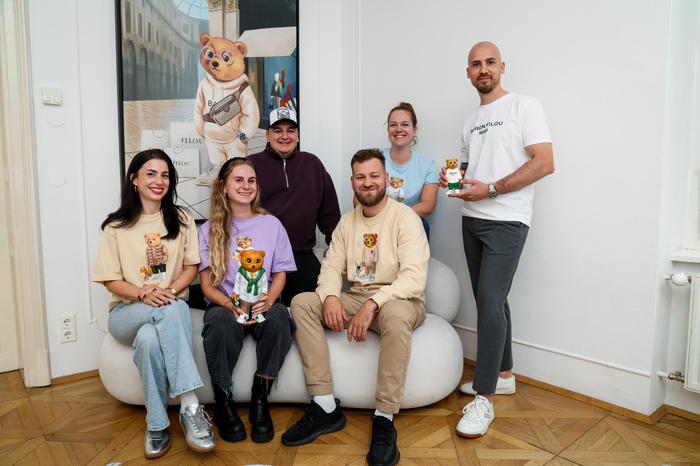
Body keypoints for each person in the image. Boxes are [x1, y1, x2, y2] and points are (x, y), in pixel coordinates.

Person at [281, 149, 429, 466]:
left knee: (396, 315)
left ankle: (384, 418)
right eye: (360, 177)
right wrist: (332, 296)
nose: (368, 183)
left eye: (374, 176)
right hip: (358, 295)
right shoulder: (347, 223)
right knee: (302, 303)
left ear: (386, 178)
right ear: (352, 182)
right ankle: (324, 405)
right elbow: (331, 269)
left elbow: (414, 278)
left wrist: (375, 303)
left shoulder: (406, 218)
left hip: (399, 300)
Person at [442, 41, 554, 438]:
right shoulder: (470, 121)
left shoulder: (525, 106)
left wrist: (490, 189)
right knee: (493, 301)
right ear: (468, 72)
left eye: (490, 62)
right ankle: (504, 374)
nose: (483, 69)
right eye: (475, 64)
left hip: (507, 221)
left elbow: (544, 162)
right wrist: (455, 182)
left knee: (489, 302)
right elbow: (472, 169)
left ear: (502, 66)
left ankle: (484, 398)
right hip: (472, 220)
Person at [92, 149, 215, 459]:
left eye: (165, 174)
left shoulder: (182, 218)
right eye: (150, 173)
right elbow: (110, 280)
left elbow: (191, 268)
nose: (159, 181)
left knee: (149, 340)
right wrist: (144, 293)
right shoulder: (116, 226)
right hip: (126, 313)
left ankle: (157, 425)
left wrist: (169, 290)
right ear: (134, 180)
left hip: (168, 305)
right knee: (173, 309)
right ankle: (190, 406)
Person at [198, 157, 296, 443]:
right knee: (217, 322)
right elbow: (206, 287)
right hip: (226, 304)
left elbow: (279, 273)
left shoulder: (271, 224)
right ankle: (224, 401)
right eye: (238, 180)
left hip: (262, 302)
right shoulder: (208, 230)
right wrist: (231, 306)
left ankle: (260, 398)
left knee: (280, 318)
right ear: (223, 187)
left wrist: (269, 301)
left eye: (251, 180)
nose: (246, 186)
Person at [248, 107, 341, 305]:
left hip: (301, 256)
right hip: (259, 259)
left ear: (297, 135)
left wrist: (336, 248)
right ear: (267, 135)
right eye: (277, 130)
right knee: (262, 315)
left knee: (314, 308)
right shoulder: (250, 165)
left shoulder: (313, 164)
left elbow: (330, 215)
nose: (284, 136)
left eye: (290, 130)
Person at [382, 102, 438, 239]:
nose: (398, 129)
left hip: (407, 222)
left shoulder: (428, 165)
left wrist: (396, 217)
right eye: (393, 124)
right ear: (388, 129)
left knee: (421, 225)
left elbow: (428, 205)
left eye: (405, 124)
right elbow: (358, 201)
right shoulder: (375, 159)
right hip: (376, 220)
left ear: (414, 129)